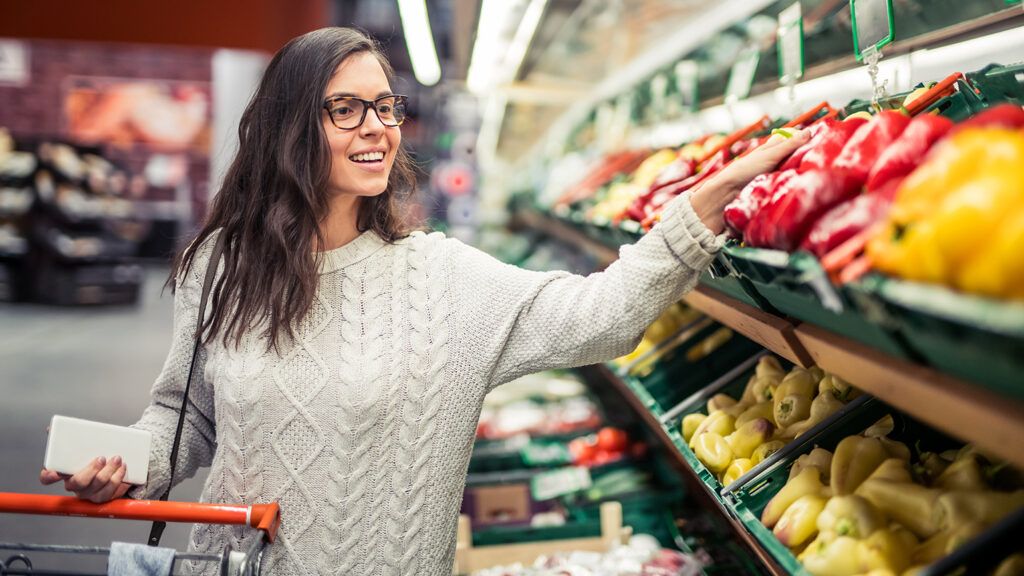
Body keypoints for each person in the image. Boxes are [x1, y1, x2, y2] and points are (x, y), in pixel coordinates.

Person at [40, 27, 809, 575]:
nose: (377, 129)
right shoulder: (220, 266)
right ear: (286, 126)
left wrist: (698, 212)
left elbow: (602, 317)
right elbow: (189, 419)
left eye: (386, 107)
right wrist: (126, 465)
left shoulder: (442, 280)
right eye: (346, 109)